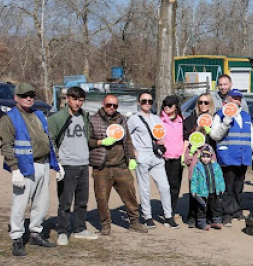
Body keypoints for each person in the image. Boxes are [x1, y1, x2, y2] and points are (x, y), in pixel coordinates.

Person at [1, 82, 62, 255]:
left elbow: (48, 139)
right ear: (16, 98)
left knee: (41, 203)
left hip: (43, 164)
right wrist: (15, 170)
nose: (28, 99)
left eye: (31, 96)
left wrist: (56, 163)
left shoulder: (39, 115)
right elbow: (6, 146)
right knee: (20, 204)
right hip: (25, 167)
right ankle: (17, 238)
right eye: (24, 96)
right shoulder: (9, 118)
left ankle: (36, 232)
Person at [88, 94, 148, 235]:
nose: (112, 108)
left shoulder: (122, 119)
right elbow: (88, 141)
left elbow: (127, 140)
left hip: (121, 165)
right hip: (102, 167)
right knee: (102, 198)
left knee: (130, 196)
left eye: (115, 105)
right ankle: (105, 225)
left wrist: (132, 158)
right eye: (109, 105)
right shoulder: (93, 120)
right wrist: (101, 142)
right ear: (103, 104)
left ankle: (134, 222)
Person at [209, 88, 253, 225]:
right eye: (233, 98)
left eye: (238, 99)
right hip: (227, 156)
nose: (236, 101)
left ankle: (237, 211)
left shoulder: (246, 116)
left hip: (243, 156)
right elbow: (215, 135)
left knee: (239, 186)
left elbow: (252, 137)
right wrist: (225, 123)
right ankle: (227, 214)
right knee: (227, 187)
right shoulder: (220, 115)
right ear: (227, 100)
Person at [47, 86, 98, 244]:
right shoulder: (57, 118)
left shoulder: (84, 116)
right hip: (67, 165)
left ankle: (79, 228)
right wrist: (57, 162)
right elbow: (50, 140)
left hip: (83, 164)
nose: (78, 103)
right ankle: (62, 230)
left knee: (82, 201)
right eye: (75, 99)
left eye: (81, 100)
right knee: (65, 201)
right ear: (68, 99)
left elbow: (87, 138)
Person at [129, 92, 177, 229]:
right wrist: (134, 153)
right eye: (144, 101)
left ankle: (168, 216)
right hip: (142, 156)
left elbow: (161, 135)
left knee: (164, 187)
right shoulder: (134, 119)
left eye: (150, 101)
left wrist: (162, 142)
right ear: (139, 102)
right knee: (144, 189)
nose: (147, 103)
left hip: (156, 156)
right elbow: (126, 136)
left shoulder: (157, 118)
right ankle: (148, 216)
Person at [182, 92, 215, 227]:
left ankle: (206, 216)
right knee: (194, 187)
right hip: (195, 156)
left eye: (206, 102)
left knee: (208, 188)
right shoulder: (191, 119)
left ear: (210, 104)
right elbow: (185, 139)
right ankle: (192, 216)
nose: (202, 105)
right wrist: (184, 155)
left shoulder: (214, 119)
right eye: (200, 102)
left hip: (209, 157)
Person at [160, 96, 186, 220]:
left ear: (176, 106)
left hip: (177, 157)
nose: (167, 108)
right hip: (164, 157)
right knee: (165, 186)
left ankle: (171, 211)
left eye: (170, 105)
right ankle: (166, 210)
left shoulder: (182, 121)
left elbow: (186, 138)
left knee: (175, 185)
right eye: (165, 105)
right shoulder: (159, 121)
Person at [190, 145, 226, 230]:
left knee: (215, 207)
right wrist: (194, 191)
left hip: (214, 191)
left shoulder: (216, 166)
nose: (205, 159)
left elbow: (220, 178)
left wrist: (221, 188)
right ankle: (201, 223)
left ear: (211, 157)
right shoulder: (197, 167)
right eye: (203, 156)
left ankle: (216, 221)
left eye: (208, 156)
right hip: (202, 192)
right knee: (202, 208)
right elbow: (194, 180)